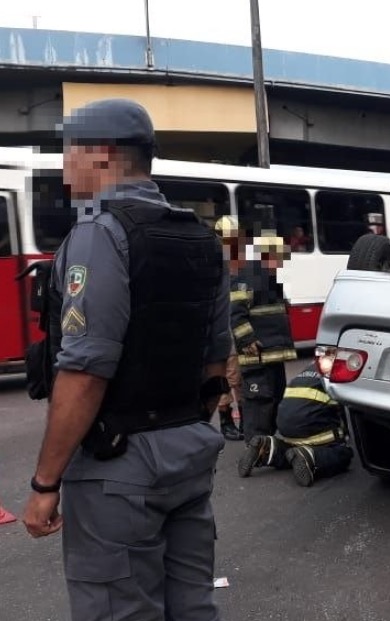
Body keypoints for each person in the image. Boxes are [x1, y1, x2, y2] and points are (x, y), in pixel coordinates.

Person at [22, 98, 230, 620]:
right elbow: (215, 361)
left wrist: (45, 483)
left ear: (99, 155)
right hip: (188, 449)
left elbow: (85, 369)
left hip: (118, 463)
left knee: (116, 608)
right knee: (191, 604)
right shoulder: (200, 238)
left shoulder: (100, 233)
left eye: (69, 154)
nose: (66, 169)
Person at [230, 232, 298, 445]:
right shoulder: (248, 276)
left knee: (275, 397)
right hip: (258, 353)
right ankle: (256, 445)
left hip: (272, 353)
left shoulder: (269, 277)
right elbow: (235, 311)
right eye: (279, 256)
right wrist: (247, 340)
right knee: (260, 400)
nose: (281, 261)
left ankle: (268, 443)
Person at [238, 362, 354, 486]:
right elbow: (348, 407)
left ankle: (267, 448)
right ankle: (312, 457)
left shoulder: (312, 366)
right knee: (343, 454)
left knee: (291, 451)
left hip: (285, 423)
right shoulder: (344, 369)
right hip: (309, 423)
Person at [214, 215, 246, 442]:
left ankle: (240, 421)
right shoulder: (225, 261)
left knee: (233, 377)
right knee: (232, 377)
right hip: (227, 327)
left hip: (225, 326)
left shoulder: (229, 259)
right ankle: (229, 422)